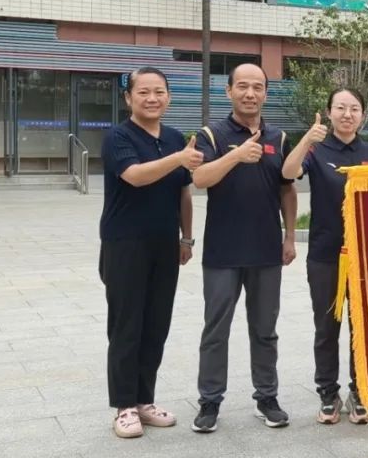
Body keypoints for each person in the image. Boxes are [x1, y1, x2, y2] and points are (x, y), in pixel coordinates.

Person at [190, 63, 297, 433]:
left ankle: (267, 397)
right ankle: (209, 402)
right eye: (243, 86)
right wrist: (236, 155)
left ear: (266, 92)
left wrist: (289, 237)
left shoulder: (278, 138)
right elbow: (200, 179)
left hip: (266, 252)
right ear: (229, 91)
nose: (250, 93)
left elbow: (287, 189)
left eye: (257, 87)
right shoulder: (211, 135)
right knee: (215, 330)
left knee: (265, 330)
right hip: (223, 253)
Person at [99, 67, 202, 438]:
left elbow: (184, 192)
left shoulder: (174, 137)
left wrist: (186, 238)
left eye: (159, 91)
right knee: (126, 325)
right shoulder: (118, 137)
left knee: (156, 324)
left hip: (164, 244)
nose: (152, 98)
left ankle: (144, 400)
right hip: (125, 244)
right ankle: (124, 406)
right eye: (143, 92)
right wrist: (179, 159)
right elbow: (135, 175)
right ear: (129, 98)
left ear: (168, 97)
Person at [282, 88, 368, 425]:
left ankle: (360, 391)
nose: (347, 114)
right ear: (329, 113)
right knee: (326, 327)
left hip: (366, 257)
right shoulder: (316, 150)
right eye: (340, 108)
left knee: (363, 327)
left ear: (363, 115)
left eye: (354, 108)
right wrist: (306, 140)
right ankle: (328, 393)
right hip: (325, 255)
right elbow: (288, 173)